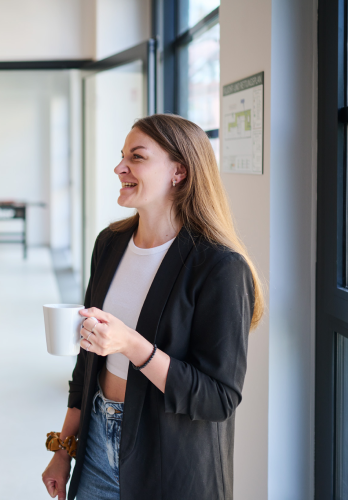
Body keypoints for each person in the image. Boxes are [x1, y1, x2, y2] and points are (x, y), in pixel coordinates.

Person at [41, 114, 263, 500]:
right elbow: (86, 363)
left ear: (179, 172)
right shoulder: (109, 244)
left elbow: (219, 399)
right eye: (122, 156)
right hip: (95, 445)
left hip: (172, 460)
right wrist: (64, 447)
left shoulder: (220, 267)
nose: (119, 167)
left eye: (137, 157)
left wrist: (131, 344)